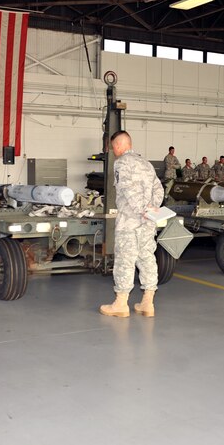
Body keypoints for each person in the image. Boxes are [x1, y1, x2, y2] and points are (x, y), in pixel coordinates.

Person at [99, 130, 164, 318]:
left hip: (130, 222)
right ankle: (147, 303)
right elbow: (159, 189)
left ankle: (120, 304)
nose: (114, 151)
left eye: (113, 147)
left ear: (118, 145)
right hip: (148, 222)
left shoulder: (122, 163)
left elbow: (128, 189)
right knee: (147, 258)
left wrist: (141, 209)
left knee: (125, 260)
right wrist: (151, 209)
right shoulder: (146, 163)